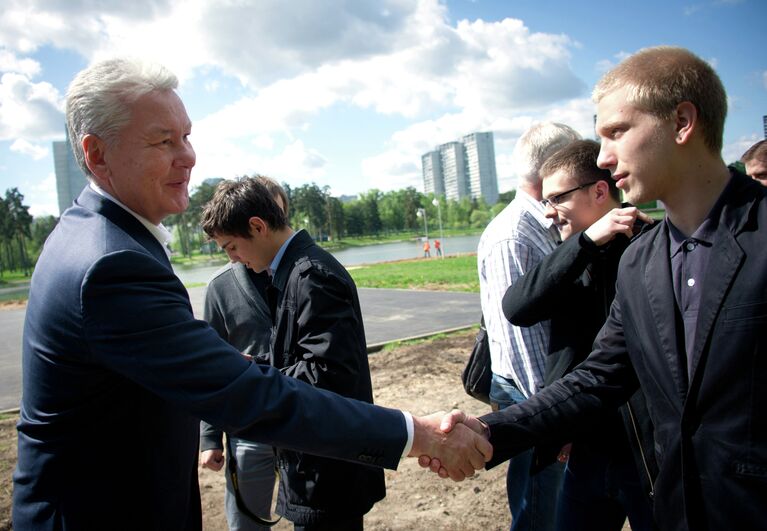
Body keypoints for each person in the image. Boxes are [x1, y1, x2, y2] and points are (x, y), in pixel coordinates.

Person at [12, 57, 492, 530]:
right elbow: (246, 395)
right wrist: (418, 434)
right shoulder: (111, 263)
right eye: (163, 140)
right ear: (97, 154)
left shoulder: (106, 241)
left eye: (186, 136)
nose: (189, 156)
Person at [432, 46, 767, 531]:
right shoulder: (642, 260)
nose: (605, 158)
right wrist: (488, 430)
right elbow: (599, 376)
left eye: (616, 132)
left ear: (682, 122)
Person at [200, 177, 385, 531]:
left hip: (328, 467)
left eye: (231, 247)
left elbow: (330, 375)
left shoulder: (311, 276)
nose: (233, 259)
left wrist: (251, 376)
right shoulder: (294, 271)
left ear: (257, 226)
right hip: (317, 461)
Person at [502, 139, 655, 531]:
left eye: (557, 199)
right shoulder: (572, 255)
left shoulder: (651, 248)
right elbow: (516, 307)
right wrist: (585, 244)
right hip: (587, 450)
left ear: (600, 191)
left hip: (646, 455)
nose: (550, 214)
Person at [476, 121, 580, 531]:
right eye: (577, 158)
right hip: (532, 396)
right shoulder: (514, 235)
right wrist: (555, 418)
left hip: (548, 396)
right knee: (538, 511)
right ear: (553, 166)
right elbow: (522, 342)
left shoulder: (546, 222)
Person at [199, 176, 288, 530]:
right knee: (246, 523)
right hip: (248, 431)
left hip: (305, 425)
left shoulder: (302, 276)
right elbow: (211, 365)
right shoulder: (220, 288)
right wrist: (209, 437)